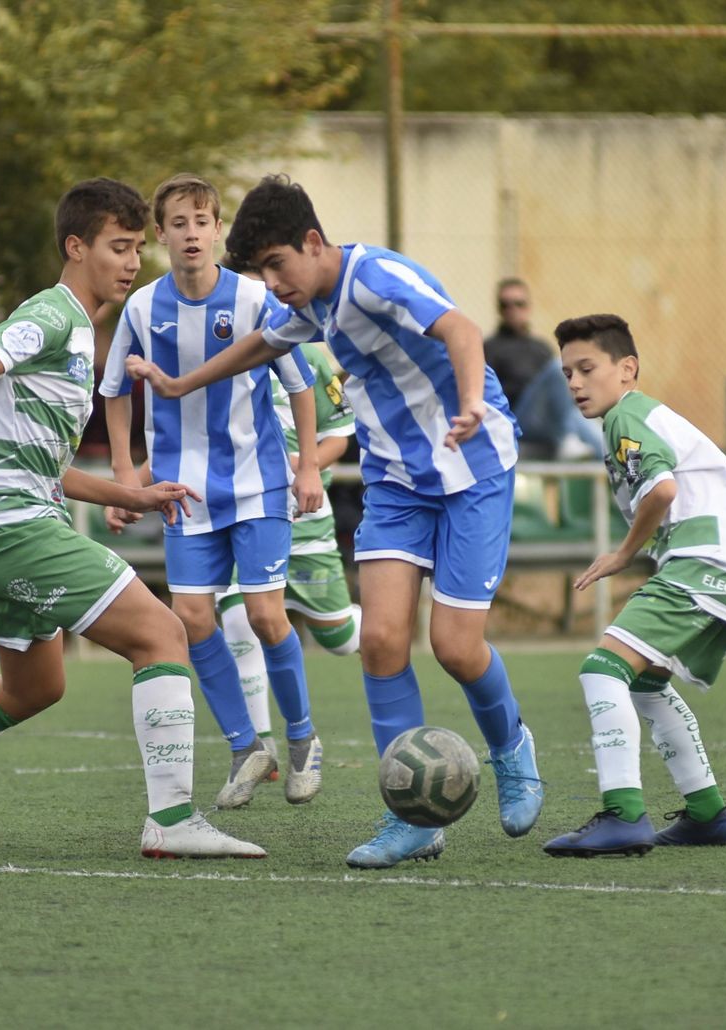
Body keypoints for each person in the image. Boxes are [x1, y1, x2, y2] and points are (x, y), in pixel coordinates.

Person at [126, 174, 543, 870]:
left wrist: (470, 401)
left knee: (456, 646)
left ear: (313, 243)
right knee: (380, 640)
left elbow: (461, 329)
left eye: (277, 266)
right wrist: (179, 384)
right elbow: (260, 345)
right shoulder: (308, 302)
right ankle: (411, 818)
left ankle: (514, 755)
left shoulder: (376, 276)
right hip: (396, 480)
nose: (271, 282)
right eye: (259, 271)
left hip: (472, 467)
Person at [0, 177, 265, 859]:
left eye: (137, 249)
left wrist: (129, 495)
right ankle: (172, 819)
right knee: (164, 633)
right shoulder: (53, 314)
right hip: (11, 527)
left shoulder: (79, 337)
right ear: (77, 247)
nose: (132, 262)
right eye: (118, 247)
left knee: (35, 686)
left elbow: (38, 462)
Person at [542, 314, 726, 857]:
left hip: (704, 566)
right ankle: (707, 813)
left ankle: (623, 815)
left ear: (627, 369)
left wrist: (623, 554)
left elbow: (663, 490)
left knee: (602, 670)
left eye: (586, 368)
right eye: (566, 374)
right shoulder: (666, 420)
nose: (575, 384)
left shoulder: (627, 415)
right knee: (644, 684)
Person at [100, 173, 325, 810]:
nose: (192, 234)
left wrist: (308, 467)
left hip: (256, 485)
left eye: (202, 222)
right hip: (181, 491)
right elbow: (114, 392)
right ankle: (246, 747)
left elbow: (301, 387)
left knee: (263, 616)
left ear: (218, 230)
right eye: (178, 223)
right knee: (193, 619)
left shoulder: (255, 300)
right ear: (161, 236)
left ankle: (303, 738)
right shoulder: (142, 308)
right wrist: (124, 477)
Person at [219, 339, 362, 773]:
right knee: (239, 617)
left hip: (305, 518)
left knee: (340, 641)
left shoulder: (311, 356)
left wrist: (307, 466)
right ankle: (260, 751)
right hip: (243, 511)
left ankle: (379, 621)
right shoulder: (219, 353)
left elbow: (338, 434)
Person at [483, 278, 551, 410]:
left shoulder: (541, 347)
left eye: (519, 304)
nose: (512, 310)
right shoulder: (490, 348)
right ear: (499, 309)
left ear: (528, 307)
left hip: (546, 412)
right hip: (517, 413)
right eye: (505, 305)